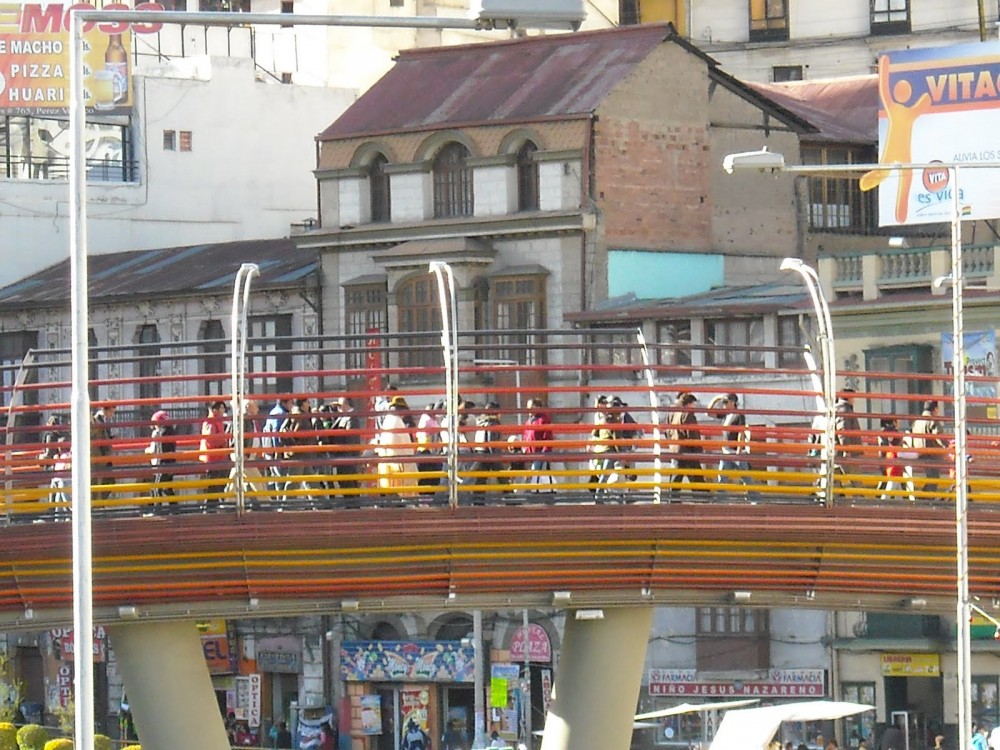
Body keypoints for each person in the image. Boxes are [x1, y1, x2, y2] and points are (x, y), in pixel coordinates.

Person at [904, 400, 947, 498]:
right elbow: (939, 436)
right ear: (935, 409)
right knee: (934, 479)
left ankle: (924, 497)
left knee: (930, 478)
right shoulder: (932, 420)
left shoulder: (917, 421)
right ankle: (925, 498)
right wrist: (947, 447)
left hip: (919, 454)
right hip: (931, 454)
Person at [375, 395, 417, 493]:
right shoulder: (397, 422)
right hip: (399, 464)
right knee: (402, 490)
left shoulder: (388, 420)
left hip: (388, 463)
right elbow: (404, 447)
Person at [667, 392, 704, 494]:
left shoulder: (673, 414)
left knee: (676, 476)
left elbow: (668, 432)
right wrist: (698, 449)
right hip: (688, 451)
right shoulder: (688, 415)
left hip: (675, 449)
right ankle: (702, 498)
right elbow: (692, 434)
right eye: (694, 404)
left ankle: (672, 499)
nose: (695, 407)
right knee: (696, 476)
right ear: (689, 404)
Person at [199, 400, 230, 508]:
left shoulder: (216, 421)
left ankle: (213, 507)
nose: (223, 411)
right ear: (214, 410)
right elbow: (211, 440)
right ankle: (209, 508)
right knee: (213, 485)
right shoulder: (211, 422)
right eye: (221, 408)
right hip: (213, 459)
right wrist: (224, 440)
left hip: (217, 458)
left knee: (217, 484)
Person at [145, 410, 177, 510]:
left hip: (162, 465)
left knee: (155, 488)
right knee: (168, 488)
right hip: (171, 464)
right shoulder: (171, 432)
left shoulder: (160, 434)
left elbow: (159, 451)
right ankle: (175, 510)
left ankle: (156, 510)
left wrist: (148, 450)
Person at [262, 396, 292, 500]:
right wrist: (278, 451)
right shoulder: (281, 414)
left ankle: (275, 502)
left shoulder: (273, 412)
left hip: (268, 450)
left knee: (275, 478)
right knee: (281, 478)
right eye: (290, 403)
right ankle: (281, 504)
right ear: (284, 403)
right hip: (275, 451)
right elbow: (276, 433)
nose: (292, 405)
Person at [522, 397, 554, 489]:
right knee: (532, 473)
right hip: (530, 453)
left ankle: (532, 492)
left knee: (534, 473)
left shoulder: (543, 420)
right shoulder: (529, 421)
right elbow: (526, 435)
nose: (529, 410)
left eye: (531, 407)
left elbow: (547, 437)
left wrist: (545, 452)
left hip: (539, 453)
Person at [416, 400, 445, 488]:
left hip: (424, 450)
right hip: (425, 450)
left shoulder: (425, 418)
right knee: (429, 475)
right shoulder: (427, 419)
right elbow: (438, 428)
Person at [91, 403, 117, 500]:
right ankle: (98, 505)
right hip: (100, 455)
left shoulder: (103, 420)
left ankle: (99, 504)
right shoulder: (98, 420)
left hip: (104, 455)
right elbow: (98, 436)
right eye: (111, 412)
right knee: (100, 482)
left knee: (108, 481)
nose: (112, 415)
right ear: (106, 410)